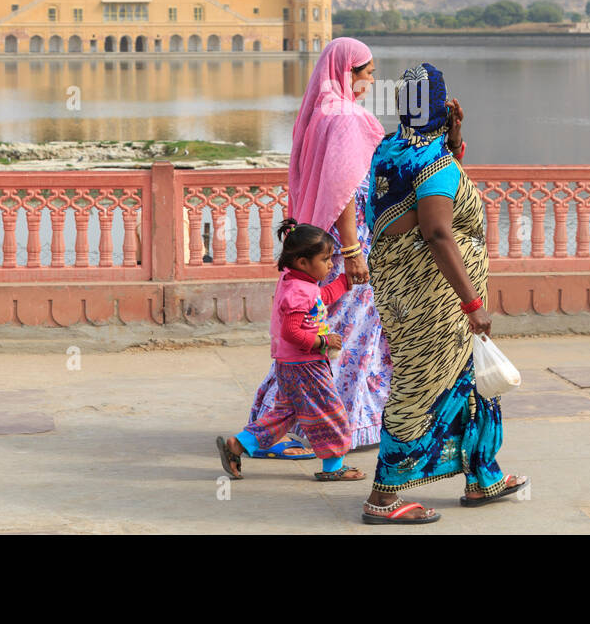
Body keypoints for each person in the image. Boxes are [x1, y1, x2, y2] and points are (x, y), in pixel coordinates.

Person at [360, 63, 528, 525]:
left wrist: (452, 142)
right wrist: (472, 304)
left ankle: (482, 476)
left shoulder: (391, 148)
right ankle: (382, 498)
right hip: (432, 298)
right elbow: (437, 232)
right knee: (419, 384)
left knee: (471, 380)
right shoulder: (430, 161)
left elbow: (424, 205)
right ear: (440, 103)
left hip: (406, 290)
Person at [244, 38, 392, 460]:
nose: (371, 81)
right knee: (338, 336)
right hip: (346, 246)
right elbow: (344, 192)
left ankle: (280, 425)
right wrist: (352, 251)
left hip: (319, 246)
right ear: (349, 72)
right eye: (368, 72)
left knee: (314, 332)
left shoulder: (319, 112)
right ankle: (320, 427)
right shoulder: (346, 117)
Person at [216, 219, 367, 482]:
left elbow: (320, 299)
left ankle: (238, 445)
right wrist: (324, 341)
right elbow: (292, 332)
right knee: (331, 413)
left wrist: (344, 282)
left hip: (290, 364)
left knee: (284, 414)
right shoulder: (298, 292)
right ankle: (333, 468)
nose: (331, 264)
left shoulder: (295, 282)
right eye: (326, 259)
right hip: (305, 365)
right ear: (302, 262)